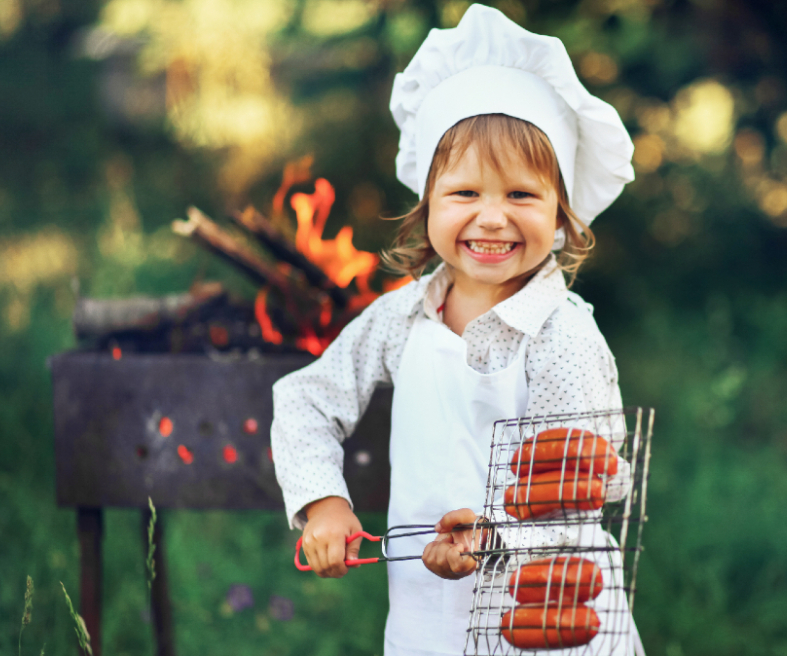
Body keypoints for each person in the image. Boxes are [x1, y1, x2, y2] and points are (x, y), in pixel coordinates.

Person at [271, 4, 637, 655]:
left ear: (560, 214)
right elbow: (306, 398)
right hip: (426, 620)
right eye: (465, 193)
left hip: (547, 616)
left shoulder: (562, 337)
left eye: (521, 195)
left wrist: (493, 537)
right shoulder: (402, 317)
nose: (491, 217)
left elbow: (583, 488)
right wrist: (323, 501)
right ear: (427, 205)